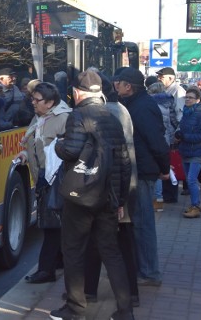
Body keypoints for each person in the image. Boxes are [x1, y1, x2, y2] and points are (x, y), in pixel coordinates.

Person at [51, 70, 134, 320]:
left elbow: (70, 151)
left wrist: (57, 143)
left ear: (77, 92)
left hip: (81, 197)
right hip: (108, 197)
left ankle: (76, 308)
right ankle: (125, 311)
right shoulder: (112, 117)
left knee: (73, 250)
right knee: (111, 252)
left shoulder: (78, 115)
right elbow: (124, 162)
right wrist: (120, 200)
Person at [84, 72, 140, 308]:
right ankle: (128, 293)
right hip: (124, 181)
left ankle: (93, 292)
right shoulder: (121, 109)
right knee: (119, 239)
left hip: (114, 184)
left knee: (107, 241)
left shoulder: (108, 112)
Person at [115, 67, 170, 287]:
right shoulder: (135, 104)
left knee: (143, 223)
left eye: (117, 82)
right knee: (137, 222)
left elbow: (156, 141)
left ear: (128, 86)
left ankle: (149, 272)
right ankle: (142, 269)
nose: (114, 86)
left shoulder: (143, 106)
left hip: (143, 171)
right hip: (140, 169)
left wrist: (165, 168)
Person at [14, 82, 71, 284]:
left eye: (37, 100)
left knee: (51, 226)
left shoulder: (64, 118)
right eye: (32, 99)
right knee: (55, 225)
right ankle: (58, 261)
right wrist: (24, 154)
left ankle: (46, 270)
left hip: (55, 179)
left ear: (50, 103)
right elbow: (35, 143)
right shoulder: (39, 117)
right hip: (42, 177)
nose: (33, 103)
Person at [175, 87, 201, 218]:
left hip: (198, 151)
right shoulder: (186, 112)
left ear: (197, 100)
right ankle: (193, 204)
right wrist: (178, 134)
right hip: (185, 151)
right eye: (186, 97)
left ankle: (196, 206)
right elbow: (182, 128)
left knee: (191, 180)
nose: (188, 100)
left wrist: (185, 137)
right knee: (189, 179)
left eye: (190, 97)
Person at [146, 81, 178, 208]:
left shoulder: (151, 104)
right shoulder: (168, 103)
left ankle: (155, 198)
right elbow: (173, 122)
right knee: (163, 168)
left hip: (155, 138)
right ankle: (160, 199)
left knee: (155, 170)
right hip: (166, 139)